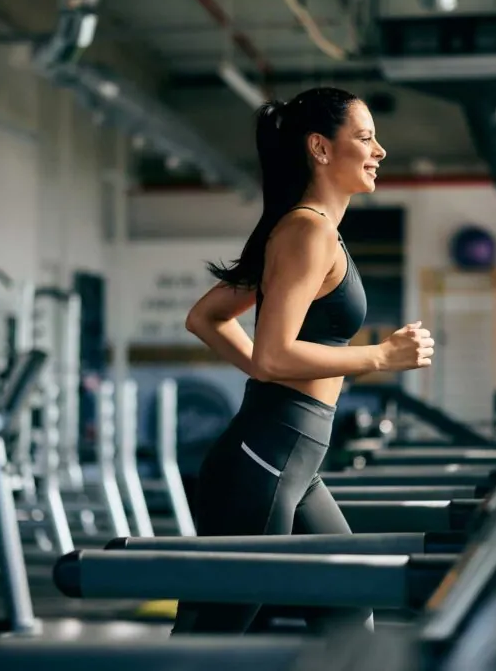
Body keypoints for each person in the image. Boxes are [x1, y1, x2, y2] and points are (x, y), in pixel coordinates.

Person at [177, 87, 436, 635]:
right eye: (365, 138)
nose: (380, 150)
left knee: (348, 607)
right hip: (263, 461)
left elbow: (206, 318)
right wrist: (383, 355)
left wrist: (264, 369)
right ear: (320, 148)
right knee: (214, 636)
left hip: (291, 461)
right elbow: (272, 353)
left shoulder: (312, 231)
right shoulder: (306, 231)